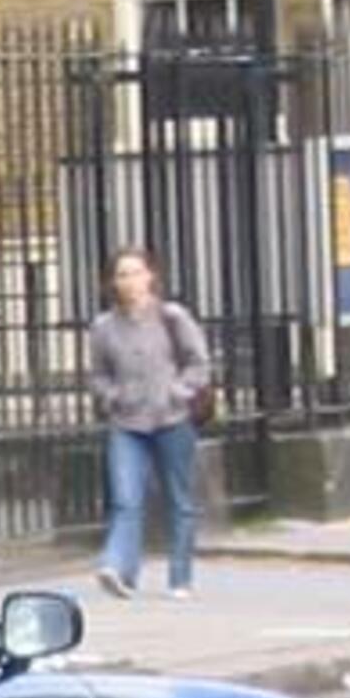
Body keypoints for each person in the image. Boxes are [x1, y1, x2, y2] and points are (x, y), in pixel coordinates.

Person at [87, 247, 213, 600]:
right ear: (112, 282)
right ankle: (117, 569)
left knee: (180, 499)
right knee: (126, 499)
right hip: (127, 423)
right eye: (122, 274)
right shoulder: (104, 327)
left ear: (150, 277)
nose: (129, 281)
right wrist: (111, 395)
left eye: (136, 273)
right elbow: (98, 375)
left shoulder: (172, 317)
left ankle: (180, 577)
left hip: (172, 418)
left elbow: (198, 362)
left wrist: (180, 390)